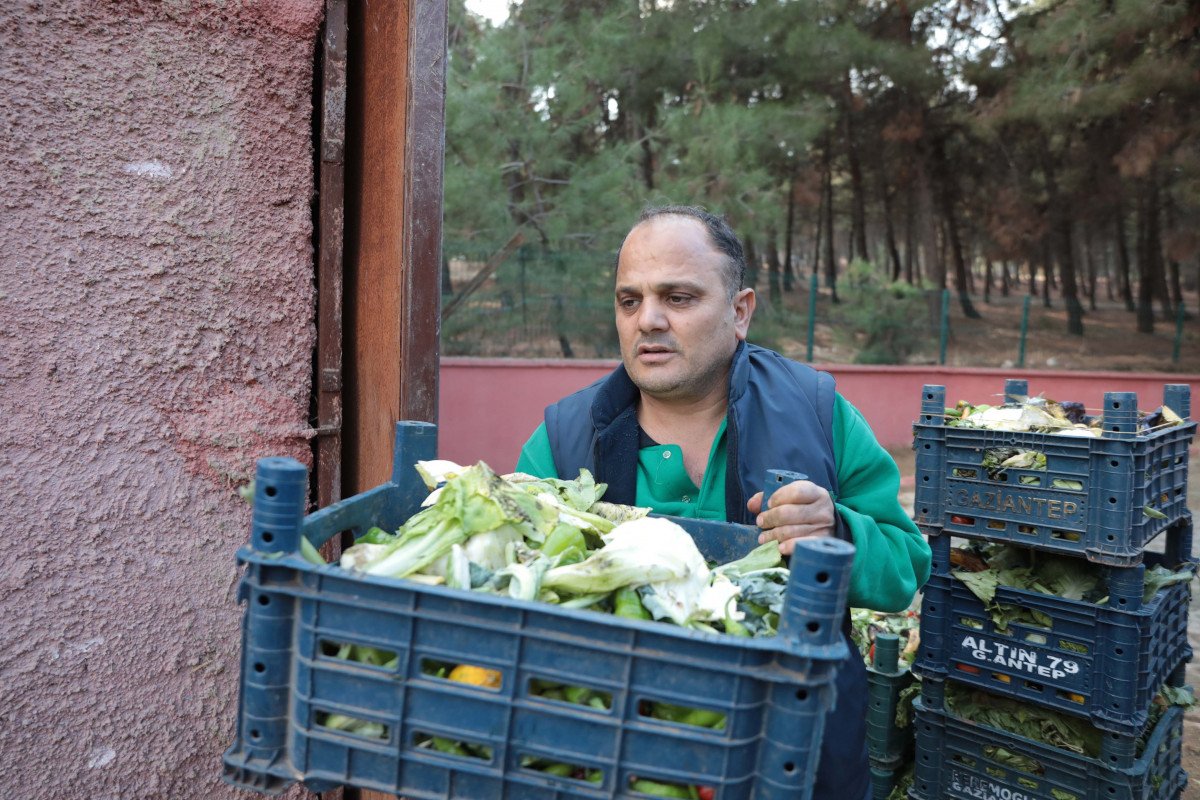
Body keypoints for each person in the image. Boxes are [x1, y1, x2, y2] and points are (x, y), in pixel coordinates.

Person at [515, 205, 930, 800]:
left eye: (678, 298)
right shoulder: (562, 439)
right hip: (612, 755)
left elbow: (905, 568)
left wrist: (837, 531)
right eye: (629, 301)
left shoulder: (818, 413)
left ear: (740, 312)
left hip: (795, 755)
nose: (647, 321)